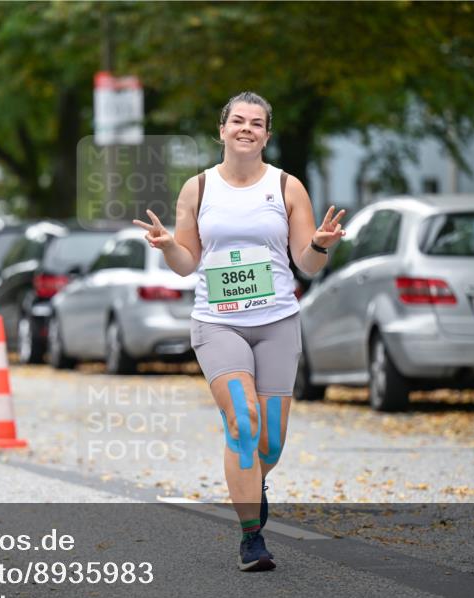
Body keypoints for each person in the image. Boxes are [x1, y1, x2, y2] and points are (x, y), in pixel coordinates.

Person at [133, 91, 345, 571]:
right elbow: (187, 265)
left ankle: (251, 480)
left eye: (256, 123)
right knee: (244, 421)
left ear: (267, 135)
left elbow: (306, 265)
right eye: (238, 121)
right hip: (218, 323)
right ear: (222, 130)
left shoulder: (287, 187)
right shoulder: (199, 189)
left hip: (276, 323)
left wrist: (319, 244)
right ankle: (252, 538)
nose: (246, 128)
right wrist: (168, 246)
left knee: (269, 442)